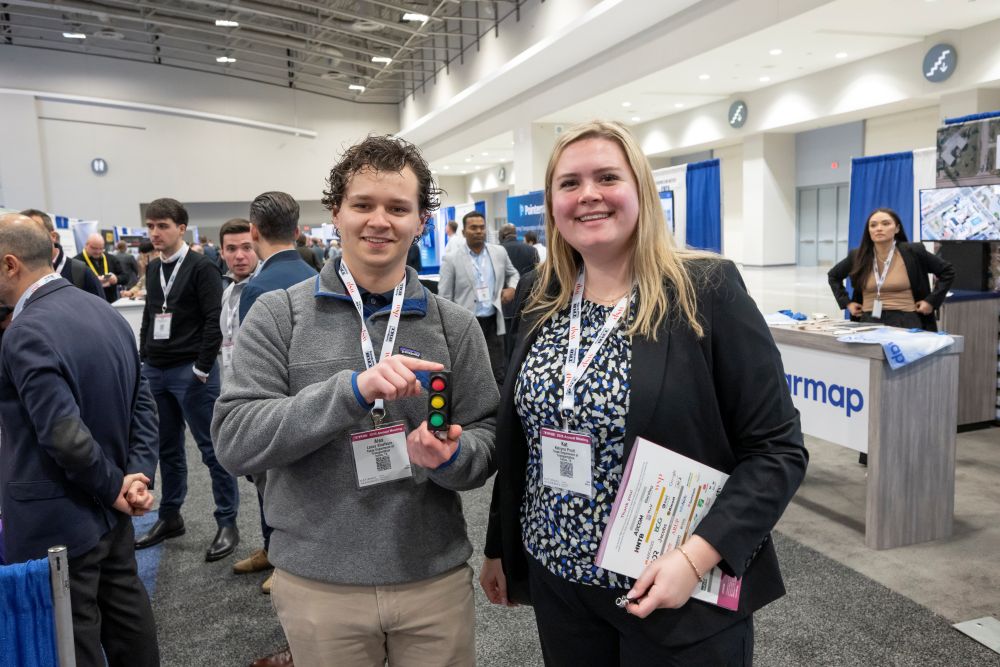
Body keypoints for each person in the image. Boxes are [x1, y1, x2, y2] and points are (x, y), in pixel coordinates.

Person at [479, 121, 808, 665]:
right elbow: (527, 443)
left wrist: (695, 559)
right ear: (552, 203)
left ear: (641, 190)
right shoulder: (543, 294)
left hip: (673, 587)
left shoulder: (706, 290)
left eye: (607, 177)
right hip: (559, 579)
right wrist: (500, 546)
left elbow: (778, 450)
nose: (588, 195)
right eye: (569, 183)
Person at [212, 134, 498, 667]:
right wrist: (351, 390)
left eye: (398, 208)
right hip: (319, 581)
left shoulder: (453, 326)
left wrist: (453, 457)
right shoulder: (278, 315)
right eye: (363, 204)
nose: (379, 221)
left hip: (431, 576)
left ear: (421, 222)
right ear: (336, 213)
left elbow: (487, 435)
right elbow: (235, 440)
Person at [0, 213, 160, 666]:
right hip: (111, 514)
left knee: (73, 641)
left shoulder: (25, 332)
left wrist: (115, 488)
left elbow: (64, 436)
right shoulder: (102, 310)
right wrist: (136, 477)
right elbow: (141, 406)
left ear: (11, 264)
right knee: (128, 620)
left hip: (60, 518)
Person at [134, 198, 240, 562]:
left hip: (191, 373)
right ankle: (170, 515)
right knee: (166, 449)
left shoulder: (200, 266)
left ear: (181, 228)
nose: (155, 233)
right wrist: (143, 356)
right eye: (150, 226)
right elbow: (151, 314)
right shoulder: (152, 269)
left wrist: (202, 366)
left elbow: (215, 320)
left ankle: (227, 521)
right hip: (156, 371)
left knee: (212, 450)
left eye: (162, 226)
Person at [234, 192, 318, 594]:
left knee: (273, 485)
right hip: (318, 403)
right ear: (299, 231)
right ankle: (276, 553)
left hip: (275, 407)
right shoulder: (316, 276)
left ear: (253, 232)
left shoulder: (257, 288)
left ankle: (280, 559)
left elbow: (252, 366)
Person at [828, 207, 955, 331]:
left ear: (897, 228)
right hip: (868, 320)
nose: (879, 228)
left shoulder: (913, 252)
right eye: (873, 225)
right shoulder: (857, 256)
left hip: (906, 319)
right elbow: (834, 276)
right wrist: (847, 303)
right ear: (869, 231)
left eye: (885, 224)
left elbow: (947, 271)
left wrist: (931, 301)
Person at [438, 211, 519, 385]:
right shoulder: (451, 259)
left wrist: (512, 287)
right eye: (473, 227)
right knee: (469, 371)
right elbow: (444, 297)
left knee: (498, 369)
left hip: (493, 320)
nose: (478, 231)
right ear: (464, 232)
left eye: (482, 227)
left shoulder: (499, 252)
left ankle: (498, 408)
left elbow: (513, 274)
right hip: (466, 323)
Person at [20, 208, 104, 298]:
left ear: (53, 236)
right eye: (20, 234)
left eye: (33, 232)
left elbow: (101, 310)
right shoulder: (16, 274)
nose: (25, 240)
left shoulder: (80, 272)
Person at [76, 233, 127, 303]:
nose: (98, 252)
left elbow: (125, 277)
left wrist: (116, 279)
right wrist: (93, 281)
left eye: (101, 248)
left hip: (110, 302)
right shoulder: (76, 261)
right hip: (88, 303)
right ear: (86, 245)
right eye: (94, 248)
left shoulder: (111, 259)